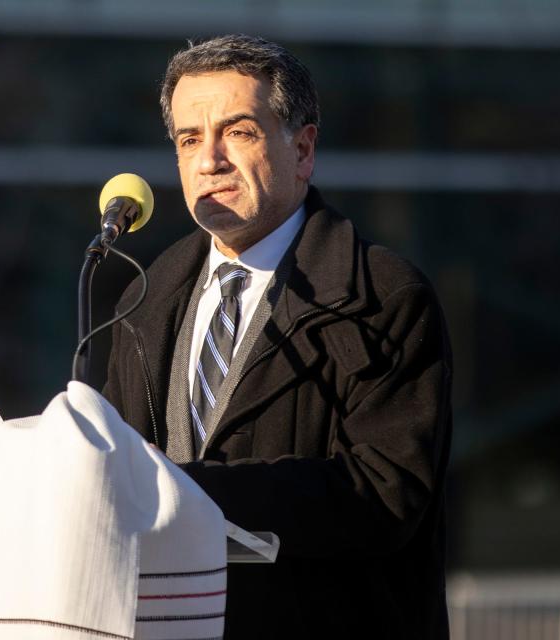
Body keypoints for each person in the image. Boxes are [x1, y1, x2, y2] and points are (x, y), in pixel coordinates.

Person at [103, 34, 452, 638]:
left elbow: (384, 495)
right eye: (190, 140)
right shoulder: (145, 296)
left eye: (238, 132)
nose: (209, 159)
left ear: (303, 149)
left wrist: (189, 489)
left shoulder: (383, 295)